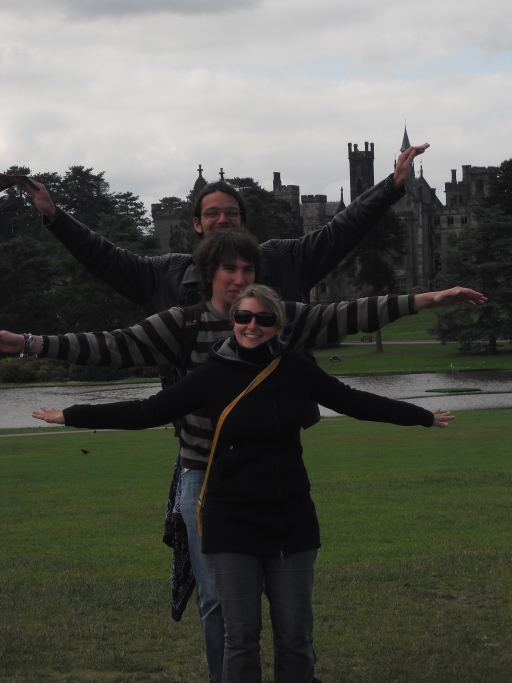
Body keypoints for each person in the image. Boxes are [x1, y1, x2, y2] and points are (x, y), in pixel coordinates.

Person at [15, 144, 427, 683]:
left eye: (232, 214)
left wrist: (391, 188)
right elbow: (105, 272)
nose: (222, 221)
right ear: (195, 225)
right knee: (221, 606)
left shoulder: (281, 264)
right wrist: (54, 217)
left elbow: (341, 237)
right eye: (211, 214)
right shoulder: (167, 281)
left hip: (273, 459)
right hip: (201, 465)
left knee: (287, 614)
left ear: (246, 226)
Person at [30, 283, 454, 683]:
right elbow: (147, 411)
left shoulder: (295, 368)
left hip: (290, 518)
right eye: (244, 317)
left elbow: (354, 402)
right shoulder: (211, 374)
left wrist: (420, 416)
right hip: (230, 521)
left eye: (264, 319)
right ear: (233, 319)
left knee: (296, 638)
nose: (252, 326)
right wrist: (72, 415)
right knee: (241, 640)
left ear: (278, 325)